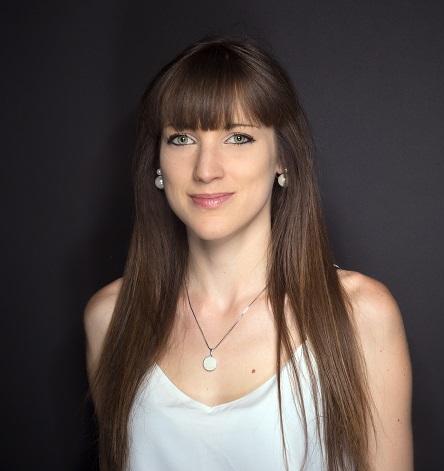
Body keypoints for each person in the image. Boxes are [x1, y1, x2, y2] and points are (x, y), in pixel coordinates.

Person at [83, 34, 413, 471]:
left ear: (282, 159)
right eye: (182, 139)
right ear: (157, 165)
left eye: (238, 137)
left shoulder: (359, 315)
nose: (206, 170)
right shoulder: (110, 318)